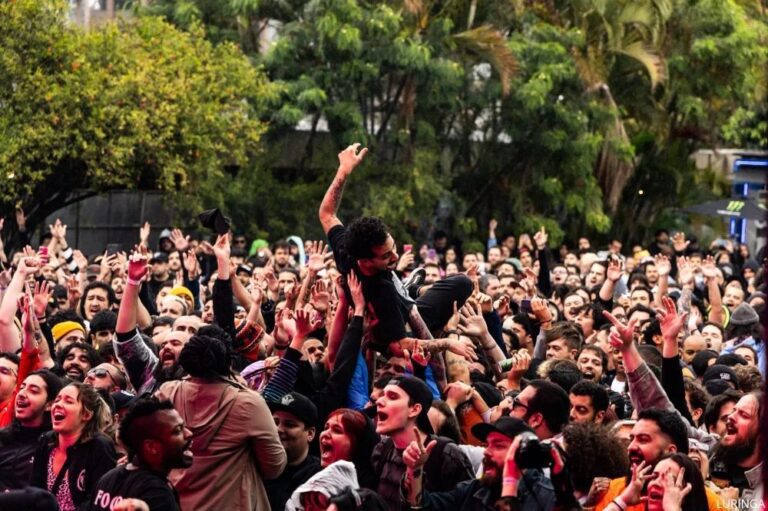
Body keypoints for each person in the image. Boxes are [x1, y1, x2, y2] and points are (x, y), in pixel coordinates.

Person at [156, 333, 286, 511]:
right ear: (228, 362)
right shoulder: (248, 403)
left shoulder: (167, 393)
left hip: (176, 503)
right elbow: (274, 466)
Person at [401, 417, 556, 510]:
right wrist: (415, 470)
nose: (487, 452)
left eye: (499, 445)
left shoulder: (549, 498)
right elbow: (423, 506)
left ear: (524, 453)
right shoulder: (474, 490)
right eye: (487, 444)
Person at [371, 375, 474, 509]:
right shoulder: (382, 449)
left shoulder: (447, 454)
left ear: (414, 409)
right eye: (383, 395)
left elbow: (471, 502)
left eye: (392, 397)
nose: (379, 401)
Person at [90, 397, 192, 511]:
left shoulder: (107, 478)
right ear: (151, 447)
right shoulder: (157, 494)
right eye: (178, 430)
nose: (189, 434)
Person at [31, 382, 117, 511]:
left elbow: (96, 503)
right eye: (57, 400)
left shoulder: (99, 446)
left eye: (69, 401)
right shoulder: (46, 440)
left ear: (86, 415)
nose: (58, 405)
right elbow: (35, 490)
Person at [0, 369, 63, 490]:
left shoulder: (53, 447)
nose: (22, 394)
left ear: (50, 404)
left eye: (33, 391)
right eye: (22, 387)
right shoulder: (3, 437)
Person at [266, 391, 322, 511]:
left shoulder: (318, 477)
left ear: (310, 434)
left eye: (289, 424)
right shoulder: (257, 466)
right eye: (274, 422)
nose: (278, 429)